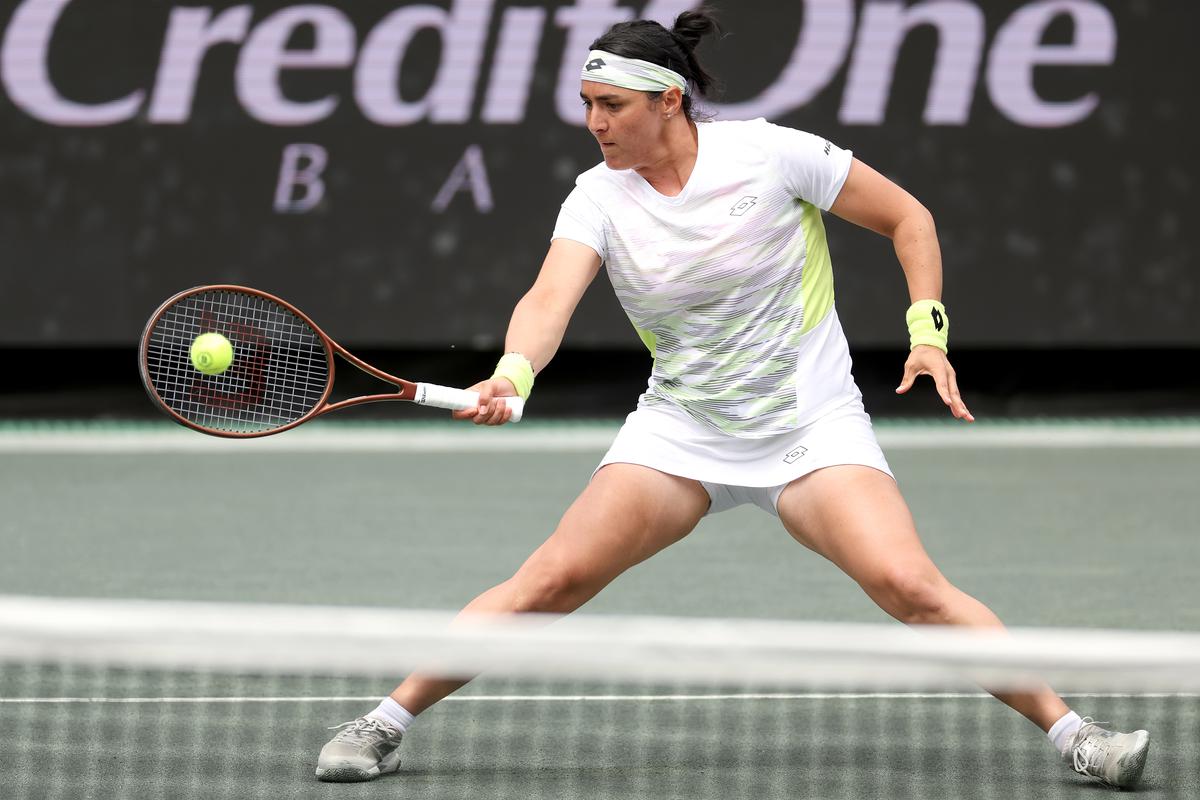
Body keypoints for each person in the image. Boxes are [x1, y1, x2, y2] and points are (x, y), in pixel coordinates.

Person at [315, 9, 1150, 790]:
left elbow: (910, 219)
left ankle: (1078, 738)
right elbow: (548, 299)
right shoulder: (597, 197)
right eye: (586, 105)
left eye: (612, 104)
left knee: (912, 586)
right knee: (549, 579)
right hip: (681, 432)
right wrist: (513, 372)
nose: (595, 122)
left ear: (668, 101)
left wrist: (926, 333)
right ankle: (382, 724)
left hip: (810, 428)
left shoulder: (771, 153)